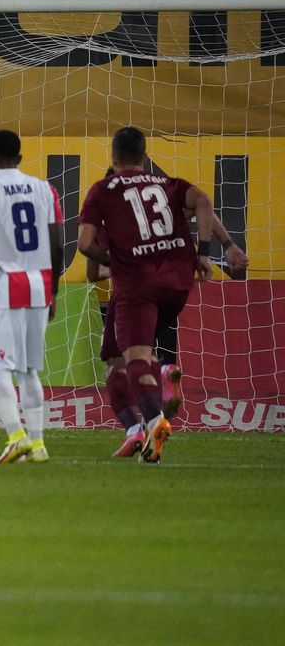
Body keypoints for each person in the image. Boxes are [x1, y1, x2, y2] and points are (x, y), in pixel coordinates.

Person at [79, 127, 248, 464]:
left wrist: (117, 262)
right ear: (144, 156)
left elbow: (87, 253)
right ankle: (139, 421)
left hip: (136, 288)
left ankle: (153, 419)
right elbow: (202, 202)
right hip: (178, 283)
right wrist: (213, 250)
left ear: (113, 159)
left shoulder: (105, 195)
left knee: (124, 362)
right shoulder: (166, 185)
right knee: (126, 355)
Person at [0, 130, 63, 464]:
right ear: (20, 157)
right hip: (40, 284)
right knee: (29, 370)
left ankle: (16, 437)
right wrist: (55, 290)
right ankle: (38, 443)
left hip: (5, 287)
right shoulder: (46, 189)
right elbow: (58, 242)